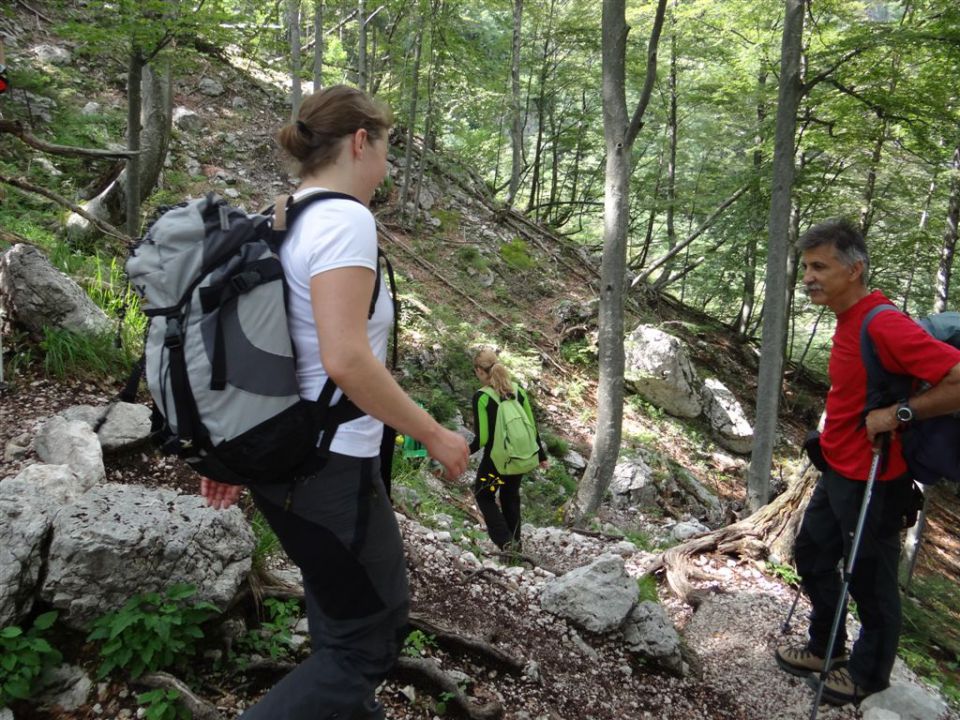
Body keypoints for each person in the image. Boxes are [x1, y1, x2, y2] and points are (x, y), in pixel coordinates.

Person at [200, 84, 469, 720]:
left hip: (279, 461)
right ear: (358, 142)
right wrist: (433, 433)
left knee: (338, 615)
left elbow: (262, 339)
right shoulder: (346, 220)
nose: (387, 166)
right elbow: (346, 360)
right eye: (386, 149)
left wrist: (229, 452)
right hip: (327, 467)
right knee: (366, 641)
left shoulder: (282, 213)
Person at [774, 218, 960, 706]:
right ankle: (826, 648)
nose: (808, 276)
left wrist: (899, 414)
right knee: (812, 556)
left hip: (876, 479)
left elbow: (957, 379)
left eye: (820, 266)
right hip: (838, 468)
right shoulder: (848, 319)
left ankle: (867, 675)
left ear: (854, 270)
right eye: (805, 266)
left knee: (871, 582)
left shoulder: (883, 323)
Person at [468, 348, 548, 552]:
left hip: (496, 461)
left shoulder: (482, 397)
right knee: (510, 496)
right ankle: (516, 546)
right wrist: (541, 455)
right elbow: (531, 424)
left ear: (479, 371)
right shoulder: (518, 390)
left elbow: (483, 438)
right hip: (520, 457)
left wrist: (463, 452)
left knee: (484, 495)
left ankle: (505, 542)